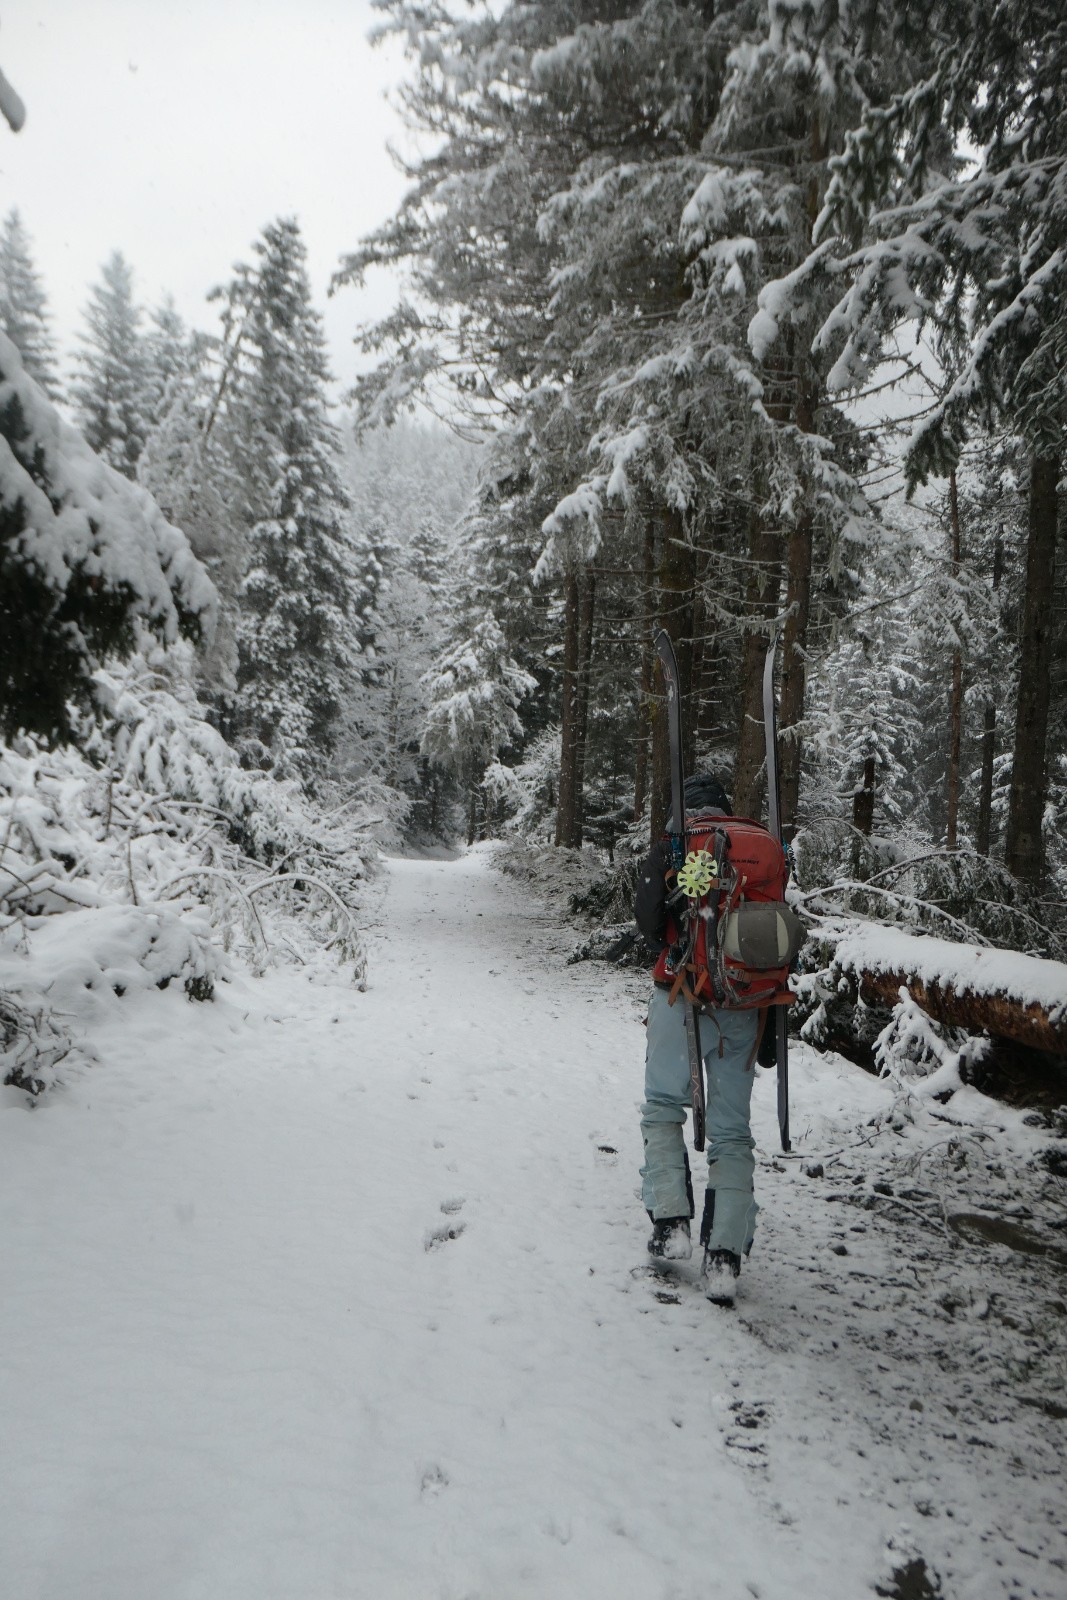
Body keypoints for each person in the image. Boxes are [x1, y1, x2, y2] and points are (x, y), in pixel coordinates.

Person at [634, 771, 766, 1306]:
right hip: (743, 1003)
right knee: (732, 1132)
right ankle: (725, 1256)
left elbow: (647, 922)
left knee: (664, 1108)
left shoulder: (679, 848)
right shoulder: (756, 849)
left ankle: (671, 1223)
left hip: (679, 995)